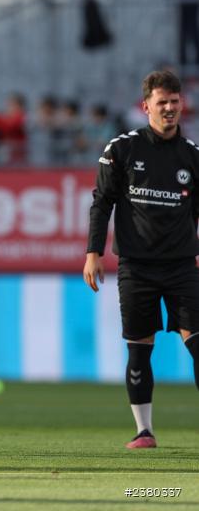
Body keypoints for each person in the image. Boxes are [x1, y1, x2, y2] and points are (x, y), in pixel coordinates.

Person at [84, 70, 199, 450]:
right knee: (139, 347)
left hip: (183, 265)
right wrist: (93, 252)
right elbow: (101, 203)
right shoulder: (122, 149)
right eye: (161, 102)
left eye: (174, 101)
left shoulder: (193, 156)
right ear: (146, 105)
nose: (169, 108)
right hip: (137, 266)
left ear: (182, 104)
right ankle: (144, 431)